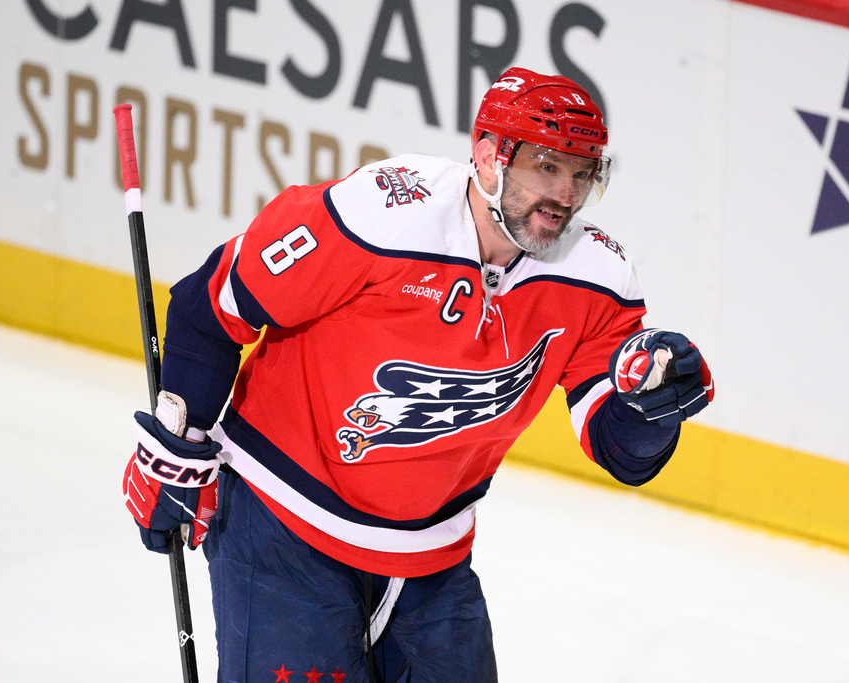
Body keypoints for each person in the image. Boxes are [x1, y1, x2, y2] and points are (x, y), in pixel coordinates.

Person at [123, 67, 714, 682]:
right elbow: (210, 303)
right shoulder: (379, 216)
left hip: (431, 562)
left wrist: (653, 408)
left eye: (581, 172)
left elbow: (620, 449)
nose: (564, 195)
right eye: (546, 166)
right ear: (489, 157)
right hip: (283, 531)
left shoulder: (596, 277)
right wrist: (178, 445)